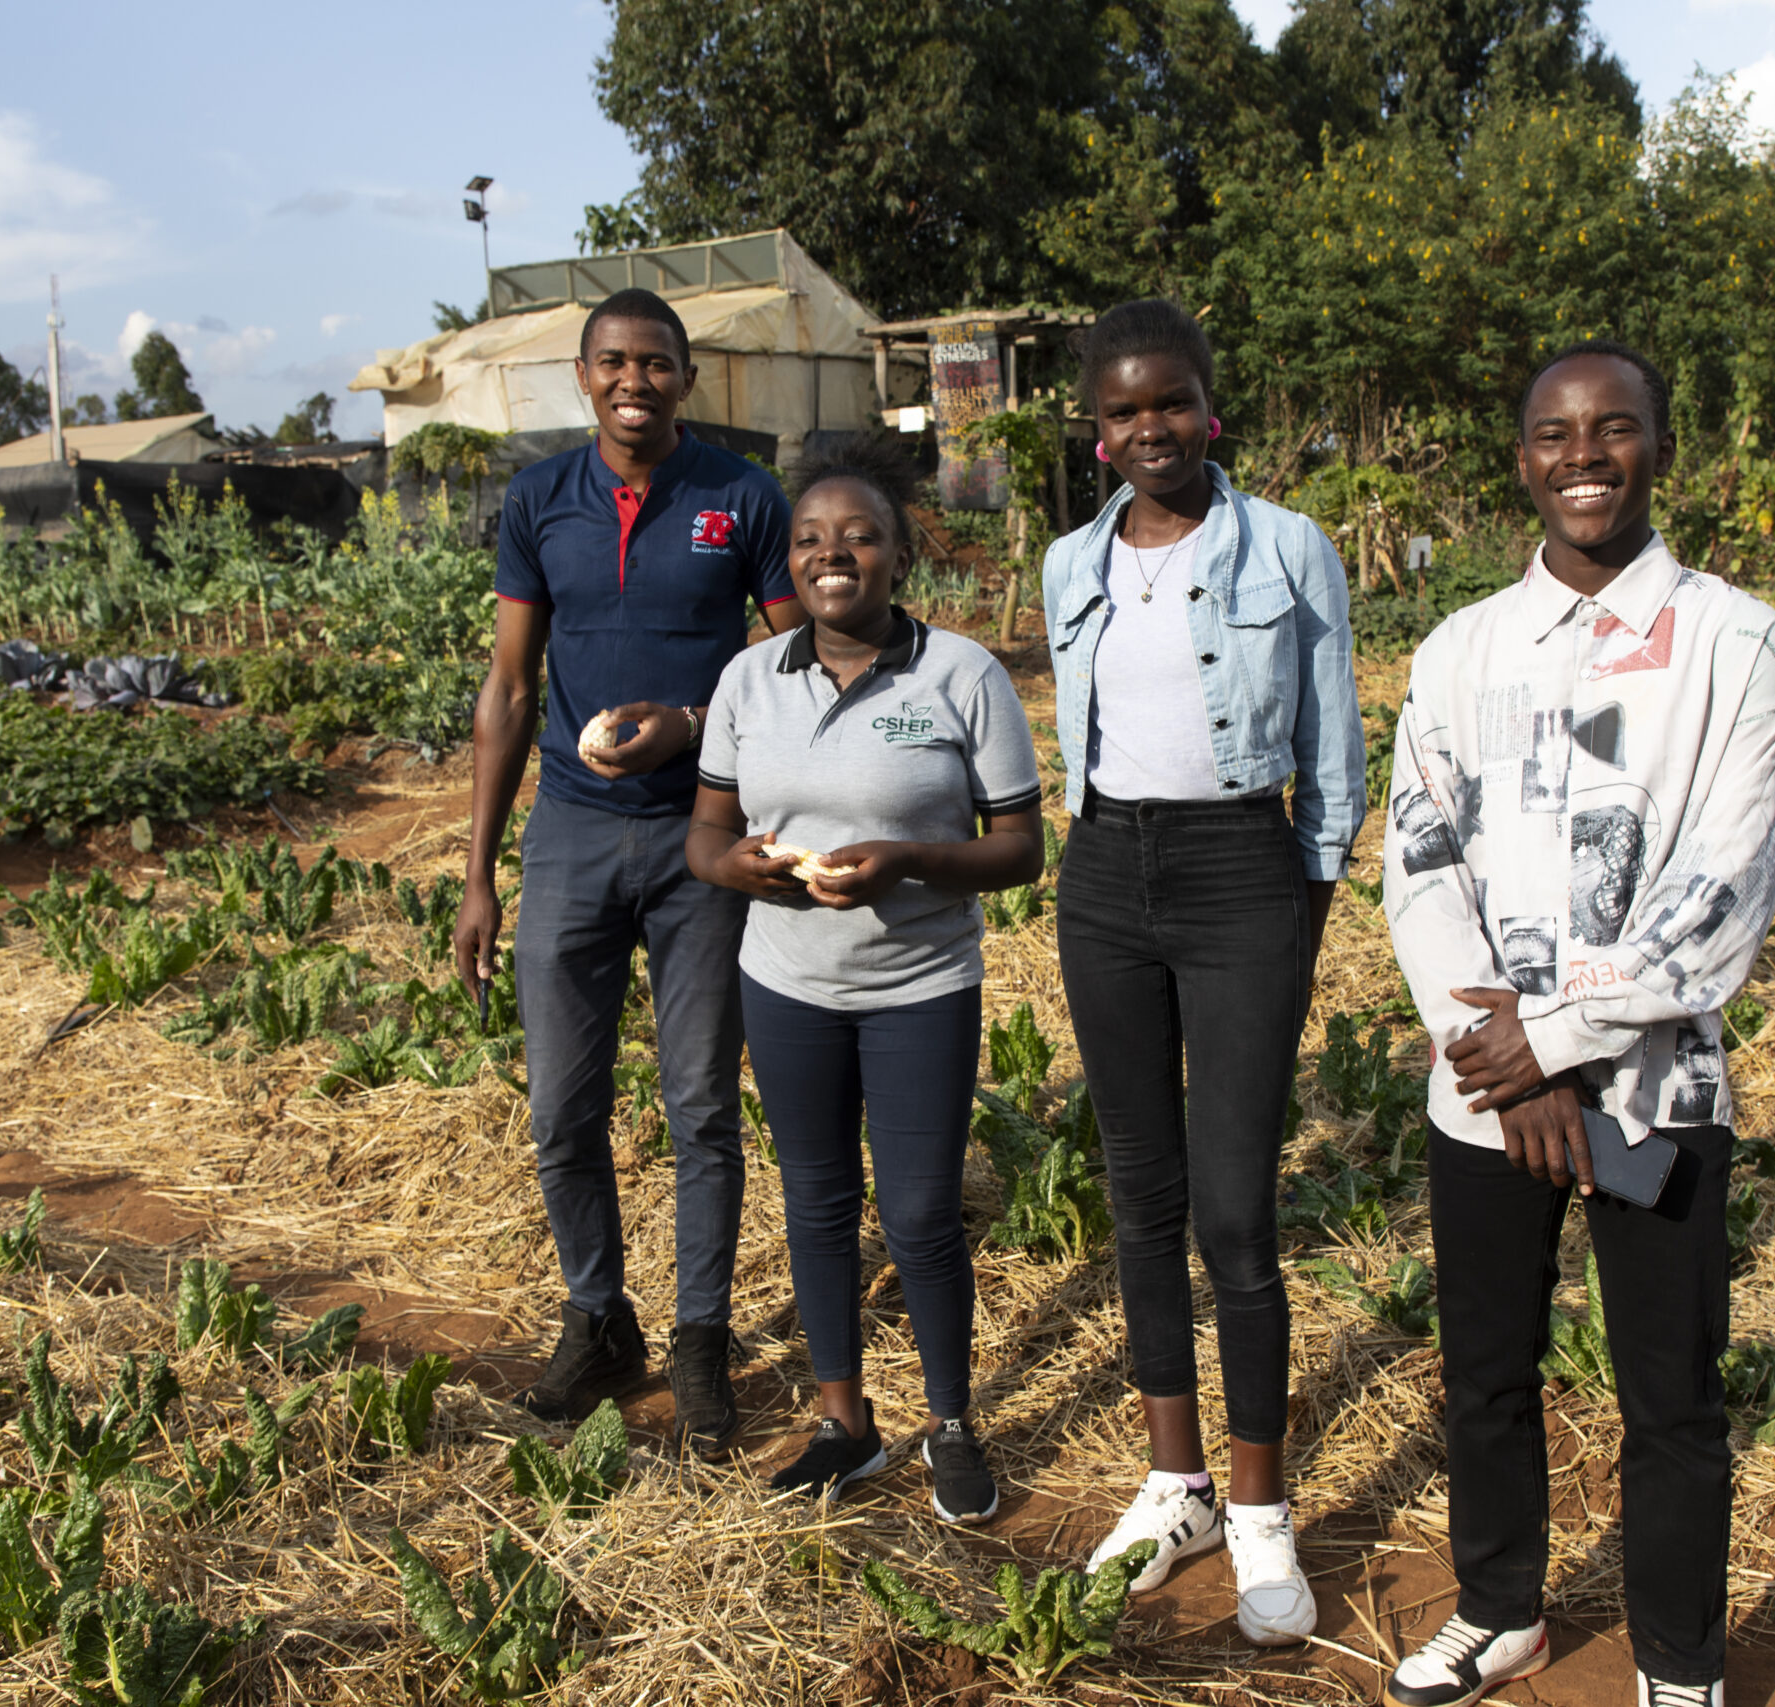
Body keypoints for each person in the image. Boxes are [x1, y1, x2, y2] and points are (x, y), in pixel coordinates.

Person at [1378, 340, 1775, 1707]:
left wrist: (1554, 1038)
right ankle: (1503, 1608)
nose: (1583, 456)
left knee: (1670, 1391)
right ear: (1522, 458)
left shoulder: (1736, 643)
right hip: (1483, 1090)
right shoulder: (1461, 650)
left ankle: (1680, 1660)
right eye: (1555, 434)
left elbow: (1724, 889)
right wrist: (1508, 1068)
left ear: (1656, 448)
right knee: (1485, 1370)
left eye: (1613, 429)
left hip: (1655, 1091)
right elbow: (1420, 862)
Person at [1043, 299, 1364, 1645]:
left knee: (1234, 1211)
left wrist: (1304, 899)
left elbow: (1336, 745)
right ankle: (1171, 1480)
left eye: (1171, 402)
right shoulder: (1070, 560)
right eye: (1123, 411)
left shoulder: (1290, 546)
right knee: (1140, 1190)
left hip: (1246, 869)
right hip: (1109, 870)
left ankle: (1259, 1508)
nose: (1149, 429)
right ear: (1096, 428)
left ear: (1208, 406)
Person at [454, 287, 804, 1455]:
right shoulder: (539, 500)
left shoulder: (741, 498)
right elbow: (507, 688)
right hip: (568, 832)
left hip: (699, 835)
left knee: (701, 1105)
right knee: (562, 1106)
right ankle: (600, 1318)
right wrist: (478, 874)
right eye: (613, 363)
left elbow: (795, 660)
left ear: (685, 379)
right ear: (583, 373)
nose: (633, 383)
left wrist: (695, 723)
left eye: (655, 365)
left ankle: (701, 1339)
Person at [686, 438, 1044, 1524]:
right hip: (786, 980)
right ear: (788, 565)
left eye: (858, 536)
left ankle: (949, 1423)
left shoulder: (962, 675)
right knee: (817, 1198)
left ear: (897, 556)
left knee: (924, 1211)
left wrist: (911, 862)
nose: (831, 553)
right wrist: (735, 867)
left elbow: (1021, 848)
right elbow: (706, 834)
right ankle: (844, 1421)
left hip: (920, 983)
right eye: (809, 539)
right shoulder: (750, 677)